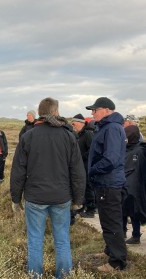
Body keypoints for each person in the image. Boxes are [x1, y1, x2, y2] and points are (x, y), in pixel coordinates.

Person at [10, 97, 85, 279]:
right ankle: (64, 276)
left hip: (35, 198)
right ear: (55, 112)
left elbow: (18, 171)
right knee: (62, 240)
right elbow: (77, 172)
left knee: (35, 240)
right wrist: (78, 200)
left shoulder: (28, 136)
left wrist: (15, 199)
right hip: (61, 198)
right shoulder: (68, 136)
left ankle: (35, 276)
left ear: (40, 113)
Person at [86, 97, 127, 272]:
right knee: (108, 220)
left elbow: (110, 159)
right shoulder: (107, 127)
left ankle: (117, 262)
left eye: (95, 110)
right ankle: (110, 250)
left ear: (107, 110)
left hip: (108, 183)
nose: (92, 113)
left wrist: (92, 170)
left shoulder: (111, 128)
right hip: (106, 182)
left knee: (111, 222)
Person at [122, 125, 146, 244]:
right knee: (122, 210)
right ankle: (122, 232)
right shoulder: (125, 149)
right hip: (123, 183)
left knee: (134, 211)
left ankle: (136, 234)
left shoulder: (140, 151)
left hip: (135, 187)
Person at [71, 114, 96, 218]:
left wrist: (80, 157)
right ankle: (81, 208)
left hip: (87, 166)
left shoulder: (88, 134)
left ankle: (91, 210)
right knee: (82, 187)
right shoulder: (77, 135)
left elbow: (92, 150)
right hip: (80, 166)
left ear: (80, 123)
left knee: (88, 188)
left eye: (74, 123)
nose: (73, 126)